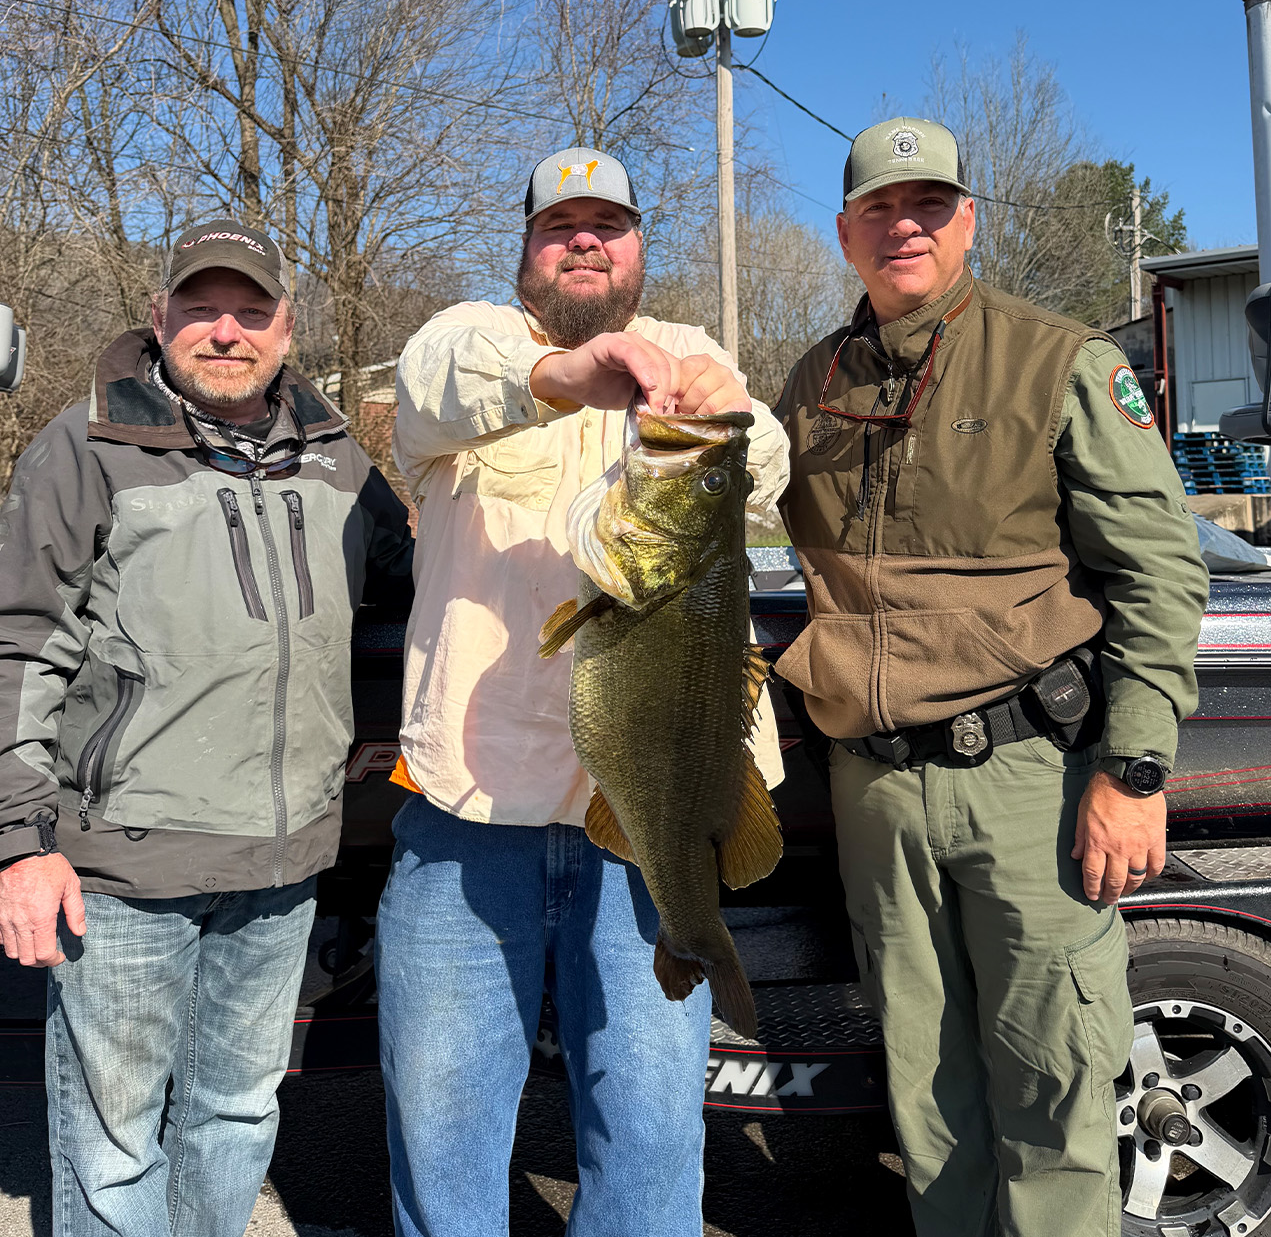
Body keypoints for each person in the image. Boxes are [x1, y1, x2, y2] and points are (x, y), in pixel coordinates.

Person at [772, 118, 1210, 1236]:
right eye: (879, 207)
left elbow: (1157, 572)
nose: (903, 225)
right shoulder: (811, 381)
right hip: (870, 787)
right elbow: (714, 502)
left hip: (1024, 778)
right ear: (844, 232)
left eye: (928, 204)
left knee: (1053, 1082)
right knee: (924, 1092)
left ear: (967, 218)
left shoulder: (1057, 360)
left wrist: (1135, 767)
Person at [380, 145, 790, 1237]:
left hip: (651, 834)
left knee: (651, 1156)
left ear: (639, 245)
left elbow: (770, 468)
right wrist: (568, 375)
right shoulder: (459, 345)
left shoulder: (694, 356)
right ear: (525, 247)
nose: (585, 241)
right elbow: (430, 388)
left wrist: (725, 419)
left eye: (607, 223)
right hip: (470, 820)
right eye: (561, 225)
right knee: (445, 1141)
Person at [0, 219, 413, 1237]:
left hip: (282, 862)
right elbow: (18, 647)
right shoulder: (86, 444)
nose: (223, 330)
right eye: (199, 306)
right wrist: (20, 843)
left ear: (286, 326)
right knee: (113, 1140)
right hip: (123, 863)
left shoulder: (339, 460)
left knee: (235, 1113)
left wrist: (382, 719)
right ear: (159, 317)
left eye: (248, 309)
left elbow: (411, 605)